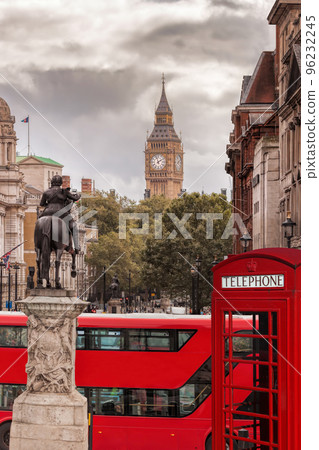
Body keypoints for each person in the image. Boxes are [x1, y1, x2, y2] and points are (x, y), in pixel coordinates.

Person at [39, 175, 81, 253]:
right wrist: (78, 195)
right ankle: (77, 246)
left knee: (38, 223)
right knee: (73, 226)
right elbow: (75, 198)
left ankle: (38, 242)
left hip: (47, 212)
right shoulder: (64, 191)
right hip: (61, 212)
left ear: (51, 182)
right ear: (60, 183)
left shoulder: (46, 192)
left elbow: (41, 204)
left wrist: (49, 206)